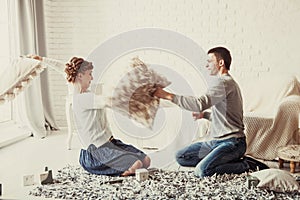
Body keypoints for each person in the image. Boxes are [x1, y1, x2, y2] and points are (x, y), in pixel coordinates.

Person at [153, 47, 268, 178]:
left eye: (209, 61)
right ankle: (224, 160)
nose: (206, 65)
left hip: (232, 143)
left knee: (202, 171)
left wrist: (167, 95)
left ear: (220, 63)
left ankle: (247, 165)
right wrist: (205, 115)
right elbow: (226, 117)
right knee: (181, 157)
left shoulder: (224, 83)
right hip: (215, 142)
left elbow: (199, 104)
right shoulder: (225, 83)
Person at [31, 55, 151, 176]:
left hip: (111, 143)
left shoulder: (83, 91)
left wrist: (41, 60)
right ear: (80, 75)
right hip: (95, 154)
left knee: (146, 160)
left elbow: (62, 67)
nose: (92, 78)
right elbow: (111, 100)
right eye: (90, 74)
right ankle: (117, 172)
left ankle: (121, 166)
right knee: (137, 164)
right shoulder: (83, 99)